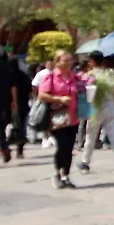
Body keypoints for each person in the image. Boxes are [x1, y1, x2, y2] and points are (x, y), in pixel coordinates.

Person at [38, 50, 82, 189]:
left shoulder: (74, 77)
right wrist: (59, 98)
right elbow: (42, 95)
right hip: (58, 118)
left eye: (70, 60)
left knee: (69, 148)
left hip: (73, 117)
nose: (69, 63)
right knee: (62, 146)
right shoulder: (50, 77)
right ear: (57, 62)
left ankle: (66, 175)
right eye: (65, 60)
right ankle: (57, 173)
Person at [78, 51, 114, 174]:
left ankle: (85, 162)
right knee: (113, 135)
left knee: (90, 137)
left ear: (92, 61)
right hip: (109, 107)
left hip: (95, 109)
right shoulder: (109, 73)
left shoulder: (90, 75)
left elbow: (85, 92)